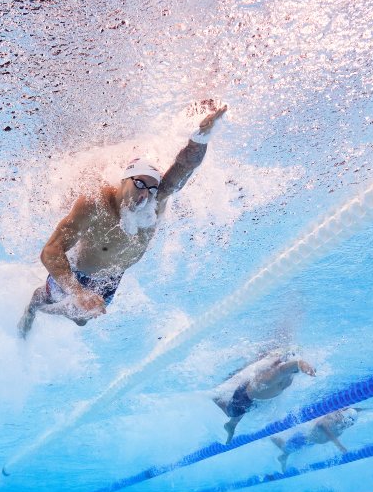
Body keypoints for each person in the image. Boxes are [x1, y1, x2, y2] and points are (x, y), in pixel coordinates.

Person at [18, 104, 228, 338]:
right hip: (77, 274)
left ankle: (59, 308)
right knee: (59, 304)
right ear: (124, 180)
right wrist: (77, 292)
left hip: (111, 279)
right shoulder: (95, 203)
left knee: (82, 322)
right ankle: (34, 308)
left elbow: (183, 167)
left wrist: (201, 137)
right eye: (139, 183)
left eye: (151, 188)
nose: (144, 194)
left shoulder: (154, 203)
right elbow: (51, 250)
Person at [213, 347, 316, 444]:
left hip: (258, 397)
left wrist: (304, 365)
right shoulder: (276, 372)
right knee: (230, 413)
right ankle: (215, 401)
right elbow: (290, 366)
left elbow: (293, 364)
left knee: (240, 415)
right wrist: (301, 364)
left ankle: (231, 424)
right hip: (243, 397)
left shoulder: (290, 374)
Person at [270, 407, 359, 471]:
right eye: (346, 422)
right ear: (343, 416)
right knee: (285, 447)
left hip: (310, 442)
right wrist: (338, 445)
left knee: (292, 450)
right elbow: (321, 425)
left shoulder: (340, 429)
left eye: (349, 424)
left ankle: (283, 457)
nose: (346, 425)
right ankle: (269, 437)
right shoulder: (331, 418)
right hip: (303, 436)